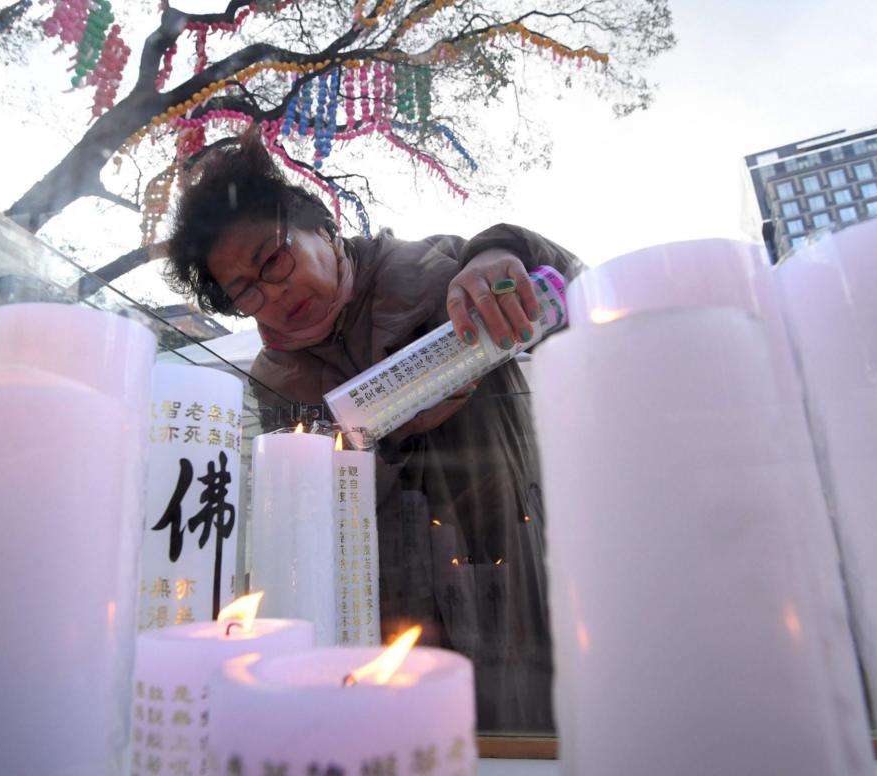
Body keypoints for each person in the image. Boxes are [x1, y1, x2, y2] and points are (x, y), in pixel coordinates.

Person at [165, 131, 583, 732]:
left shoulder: (447, 273)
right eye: (247, 292)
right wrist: (384, 437)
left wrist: (502, 250)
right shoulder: (278, 381)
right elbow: (303, 519)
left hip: (511, 574)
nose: (274, 295)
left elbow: (575, 286)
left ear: (323, 227)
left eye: (274, 259)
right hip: (381, 617)